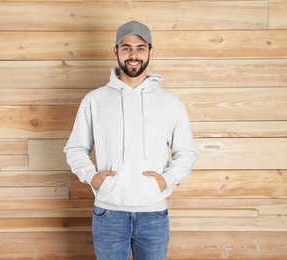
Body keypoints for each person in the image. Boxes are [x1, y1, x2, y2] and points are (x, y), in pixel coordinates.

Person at [64, 20, 199, 260]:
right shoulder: (95, 100)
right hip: (109, 214)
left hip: (153, 216)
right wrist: (92, 177)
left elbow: (186, 152)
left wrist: (166, 180)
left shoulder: (170, 102)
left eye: (140, 48)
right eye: (126, 48)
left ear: (150, 51)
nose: (133, 54)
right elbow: (75, 148)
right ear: (116, 51)